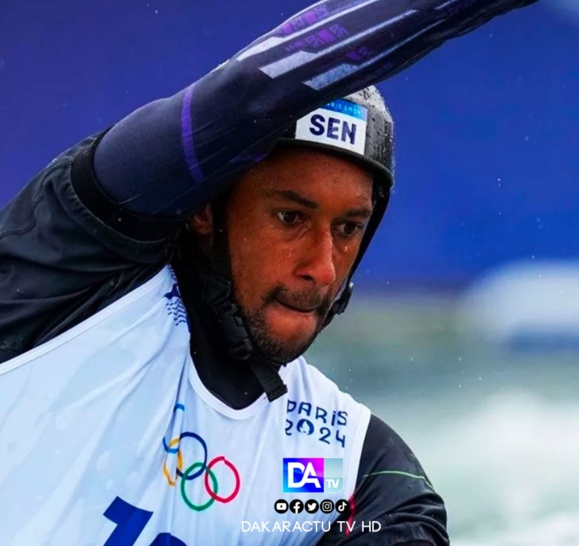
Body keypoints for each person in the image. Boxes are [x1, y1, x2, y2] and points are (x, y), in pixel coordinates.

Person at [0, 0, 538, 544]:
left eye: (349, 228)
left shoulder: (342, 472)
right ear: (206, 209)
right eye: (290, 217)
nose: (322, 267)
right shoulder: (70, 274)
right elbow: (248, 94)